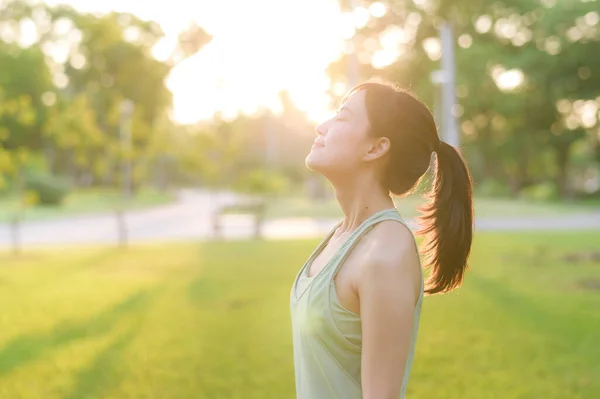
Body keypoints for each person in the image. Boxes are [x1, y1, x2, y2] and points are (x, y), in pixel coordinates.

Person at [290, 81, 474, 399]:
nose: (322, 127)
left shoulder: (387, 254)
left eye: (343, 117)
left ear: (376, 148)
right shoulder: (342, 235)